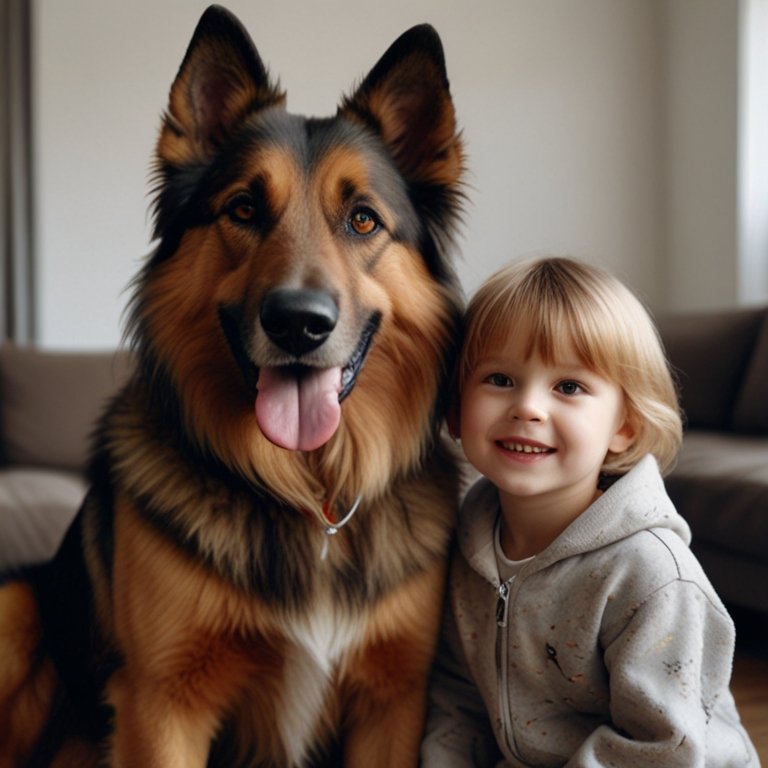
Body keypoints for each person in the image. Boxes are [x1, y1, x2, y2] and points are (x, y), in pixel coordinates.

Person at [421, 256, 759, 766]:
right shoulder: (470, 541)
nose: (529, 407)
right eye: (499, 379)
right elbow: (457, 695)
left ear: (623, 426)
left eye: (569, 387)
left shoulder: (650, 575)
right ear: (455, 409)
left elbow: (661, 747)